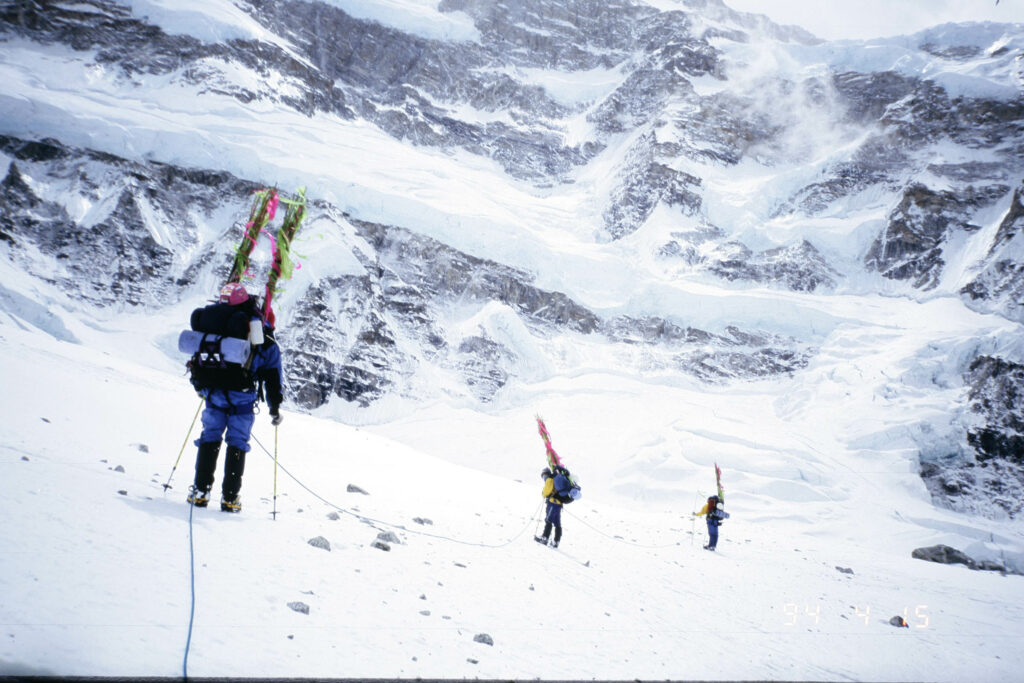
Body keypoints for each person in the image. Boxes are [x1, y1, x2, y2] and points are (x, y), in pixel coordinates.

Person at [187, 283, 284, 512]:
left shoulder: (212, 326)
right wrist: (275, 408)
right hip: (242, 396)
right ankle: (230, 498)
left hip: (213, 393)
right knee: (237, 441)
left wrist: (200, 386)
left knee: (210, 436)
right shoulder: (263, 337)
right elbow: (272, 376)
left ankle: (201, 491)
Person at [534, 467, 564, 548]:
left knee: (548, 520)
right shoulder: (556, 479)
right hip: (559, 504)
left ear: (546, 474)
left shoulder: (550, 479)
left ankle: (545, 538)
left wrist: (543, 494)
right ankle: (556, 541)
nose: (544, 478)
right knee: (557, 523)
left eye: (544, 476)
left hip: (552, 503)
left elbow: (546, 492)